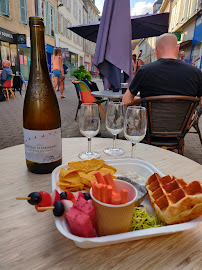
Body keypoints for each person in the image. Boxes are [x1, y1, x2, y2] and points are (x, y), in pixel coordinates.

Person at [122, 33, 202, 108]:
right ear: (177, 49)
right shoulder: (196, 73)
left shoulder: (144, 71)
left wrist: (144, 99)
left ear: (156, 51)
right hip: (186, 122)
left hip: (149, 122)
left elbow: (126, 101)